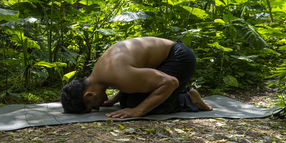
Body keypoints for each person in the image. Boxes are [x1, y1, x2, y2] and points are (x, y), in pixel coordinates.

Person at [60, 37, 212, 118]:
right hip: (164, 59)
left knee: (141, 105)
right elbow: (134, 80)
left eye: (93, 106)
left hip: (180, 57)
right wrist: (115, 100)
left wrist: (138, 111)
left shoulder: (118, 75)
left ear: (89, 94)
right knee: (126, 102)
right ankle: (182, 94)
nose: (98, 107)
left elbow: (170, 82)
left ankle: (188, 98)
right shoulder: (101, 74)